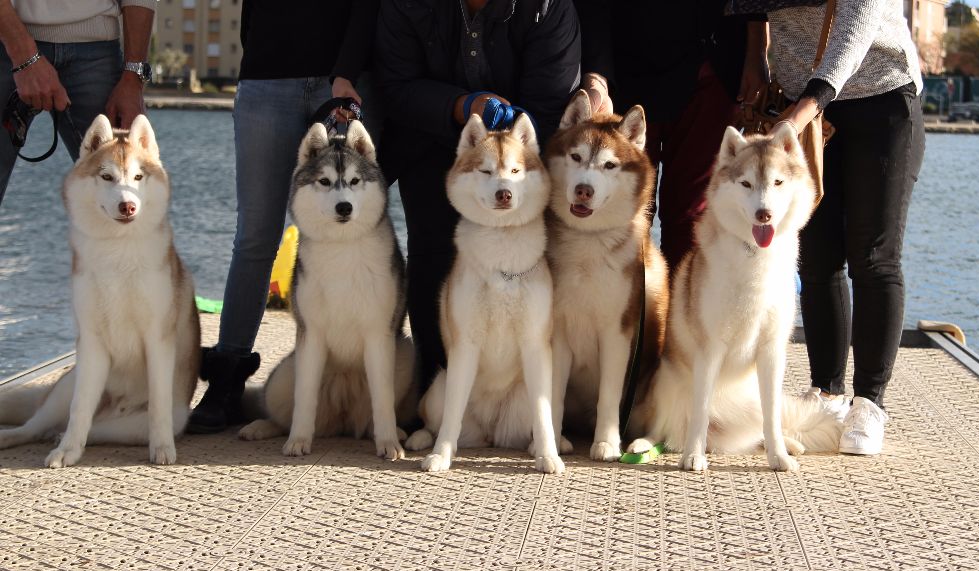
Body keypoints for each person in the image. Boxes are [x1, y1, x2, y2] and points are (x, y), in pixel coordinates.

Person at [187, 0, 381, 433]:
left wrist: (346, 69)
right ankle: (226, 381)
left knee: (351, 232)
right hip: (264, 79)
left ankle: (360, 385)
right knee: (255, 236)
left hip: (344, 81)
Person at [374, 0, 581, 392]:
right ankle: (432, 393)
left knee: (523, 270)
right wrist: (460, 106)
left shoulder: (549, 6)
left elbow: (551, 100)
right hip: (426, 140)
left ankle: (522, 396)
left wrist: (510, 138)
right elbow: (395, 85)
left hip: (519, 156)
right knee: (432, 258)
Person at [757, 0, 925, 455]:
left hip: (881, 97)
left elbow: (858, 20)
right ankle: (826, 393)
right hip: (803, 110)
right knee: (816, 257)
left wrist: (810, 103)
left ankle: (869, 401)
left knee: (873, 255)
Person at [573, 0, 768, 272]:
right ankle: (633, 313)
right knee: (622, 211)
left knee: (692, 216)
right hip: (626, 69)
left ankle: (679, 312)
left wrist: (757, 50)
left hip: (710, 66)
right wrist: (597, 76)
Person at [0, 0, 154, 207]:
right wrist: (24, 56)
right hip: (5, 40)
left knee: (129, 208)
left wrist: (133, 78)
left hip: (98, 51)